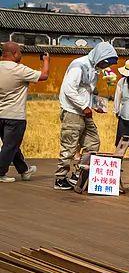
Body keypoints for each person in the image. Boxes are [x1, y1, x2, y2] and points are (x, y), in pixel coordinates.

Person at [54, 41, 118, 190]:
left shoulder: (94, 68)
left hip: (85, 112)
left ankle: (79, 173)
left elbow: (88, 91)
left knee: (93, 143)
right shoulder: (79, 65)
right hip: (72, 112)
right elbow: (69, 89)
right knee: (69, 146)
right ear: (99, 57)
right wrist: (84, 107)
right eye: (104, 63)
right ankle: (60, 178)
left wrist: (96, 105)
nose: (105, 67)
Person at [0, 42, 48, 183]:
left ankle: (24, 170)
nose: (21, 55)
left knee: (11, 145)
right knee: (10, 146)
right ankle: (1, 172)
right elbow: (44, 76)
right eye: (20, 52)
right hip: (15, 116)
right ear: (14, 53)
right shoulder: (19, 69)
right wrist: (46, 61)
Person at [113, 58, 129, 156]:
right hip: (124, 112)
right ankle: (120, 153)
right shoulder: (121, 82)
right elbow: (117, 97)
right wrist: (116, 110)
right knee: (122, 134)